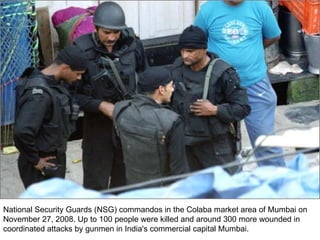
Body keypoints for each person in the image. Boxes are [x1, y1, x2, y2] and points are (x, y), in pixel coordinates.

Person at [194, 0, 286, 166]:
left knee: (265, 142)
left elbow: (273, 36)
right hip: (219, 87)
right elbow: (197, 42)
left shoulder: (260, 7)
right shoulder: (207, 10)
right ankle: (231, 185)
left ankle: (277, 185)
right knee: (221, 143)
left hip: (254, 83)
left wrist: (251, 50)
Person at [72, 1, 147, 190]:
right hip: (97, 127)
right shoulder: (81, 50)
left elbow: (146, 79)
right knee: (95, 183)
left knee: (125, 182)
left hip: (128, 124)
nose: (112, 37)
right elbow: (71, 95)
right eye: (106, 32)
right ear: (95, 28)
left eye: (116, 32)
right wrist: (100, 106)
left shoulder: (133, 45)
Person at [170, 25, 251, 174]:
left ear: (203, 49)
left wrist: (215, 110)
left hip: (216, 146)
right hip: (186, 144)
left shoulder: (224, 73)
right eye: (182, 50)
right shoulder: (177, 68)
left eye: (190, 51)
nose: (184, 55)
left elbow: (243, 107)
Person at [13, 45, 88, 188]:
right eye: (78, 73)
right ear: (65, 68)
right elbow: (22, 131)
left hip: (51, 158)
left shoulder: (51, 82)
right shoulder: (40, 95)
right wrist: (36, 160)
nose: (79, 78)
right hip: (43, 162)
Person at [113, 66, 189, 185]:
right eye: (171, 85)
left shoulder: (120, 109)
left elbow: (119, 147)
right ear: (161, 89)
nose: (173, 89)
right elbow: (179, 170)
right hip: (162, 192)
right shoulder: (172, 121)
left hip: (133, 186)